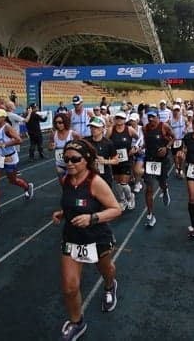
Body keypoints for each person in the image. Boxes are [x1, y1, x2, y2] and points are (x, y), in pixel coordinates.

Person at [51, 140, 122, 341]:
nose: (70, 163)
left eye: (75, 159)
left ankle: (110, 286)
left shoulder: (95, 182)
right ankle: (77, 322)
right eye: (66, 159)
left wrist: (92, 218)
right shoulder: (66, 179)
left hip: (97, 239)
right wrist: (63, 213)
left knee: (106, 271)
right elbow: (73, 204)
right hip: (72, 238)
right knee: (70, 287)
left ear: (87, 159)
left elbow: (116, 209)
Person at [0, 108, 34, 219]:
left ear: (4, 118)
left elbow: (19, 140)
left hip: (9, 157)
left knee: (12, 180)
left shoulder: (7, 128)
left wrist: (4, 145)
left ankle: (27, 187)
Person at [142, 109, 175, 227]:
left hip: (162, 161)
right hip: (150, 161)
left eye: (153, 116)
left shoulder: (164, 126)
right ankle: (150, 214)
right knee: (149, 188)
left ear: (158, 117)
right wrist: (141, 147)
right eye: (149, 116)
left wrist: (166, 148)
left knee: (162, 183)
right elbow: (147, 142)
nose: (150, 119)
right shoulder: (145, 128)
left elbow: (173, 138)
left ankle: (165, 190)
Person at [107, 112, 139, 210]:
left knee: (124, 183)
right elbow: (105, 141)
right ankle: (122, 200)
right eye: (117, 118)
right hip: (115, 160)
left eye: (121, 118)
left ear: (125, 120)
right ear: (115, 119)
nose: (119, 119)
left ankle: (130, 197)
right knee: (117, 183)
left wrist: (135, 147)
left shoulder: (129, 130)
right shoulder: (110, 130)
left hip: (127, 159)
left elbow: (139, 139)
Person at [83, 116, 118, 190]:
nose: (93, 129)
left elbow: (116, 160)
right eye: (91, 127)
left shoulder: (108, 143)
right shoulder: (85, 141)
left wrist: (105, 161)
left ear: (103, 128)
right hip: (88, 175)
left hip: (104, 175)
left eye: (96, 127)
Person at [48, 112, 81, 179]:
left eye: (60, 122)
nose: (58, 125)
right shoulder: (54, 134)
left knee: (73, 183)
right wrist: (51, 147)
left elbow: (82, 146)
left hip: (72, 164)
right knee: (63, 184)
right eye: (56, 123)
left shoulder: (73, 134)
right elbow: (49, 147)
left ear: (65, 122)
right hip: (60, 164)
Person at [127, 113, 145, 193]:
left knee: (137, 170)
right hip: (131, 152)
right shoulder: (128, 129)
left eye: (133, 120)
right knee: (132, 170)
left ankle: (137, 183)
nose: (132, 122)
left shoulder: (142, 129)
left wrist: (139, 148)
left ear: (138, 120)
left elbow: (142, 140)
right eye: (131, 120)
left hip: (140, 151)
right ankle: (137, 180)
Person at [170, 104, 186, 178]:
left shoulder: (183, 118)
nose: (176, 112)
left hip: (181, 140)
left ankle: (180, 169)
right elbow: (166, 127)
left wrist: (186, 129)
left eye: (177, 110)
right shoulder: (170, 120)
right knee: (174, 156)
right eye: (175, 110)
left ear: (180, 111)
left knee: (180, 156)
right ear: (172, 111)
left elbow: (189, 123)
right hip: (173, 140)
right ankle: (177, 168)